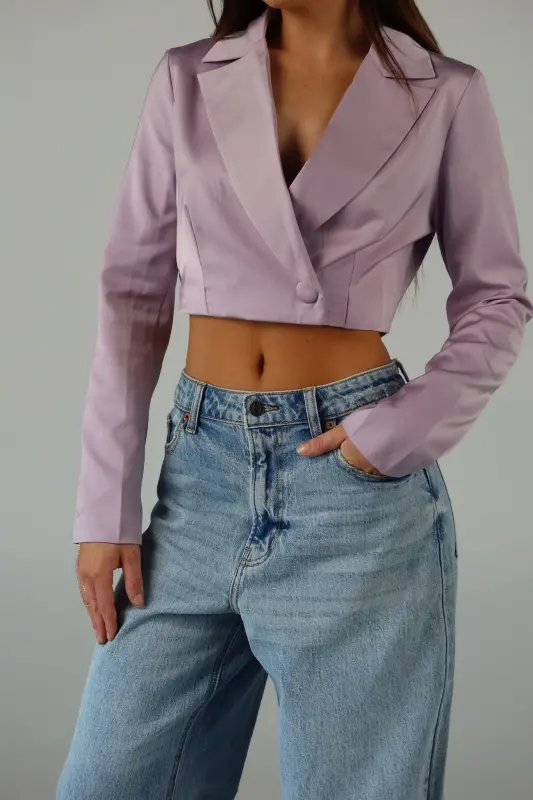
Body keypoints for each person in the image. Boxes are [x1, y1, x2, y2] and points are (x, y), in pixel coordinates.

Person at [56, 1, 533, 798]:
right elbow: (132, 291)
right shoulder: (187, 77)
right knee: (106, 780)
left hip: (352, 498)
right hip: (198, 480)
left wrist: (395, 434)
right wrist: (104, 508)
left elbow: (496, 296)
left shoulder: (445, 93)